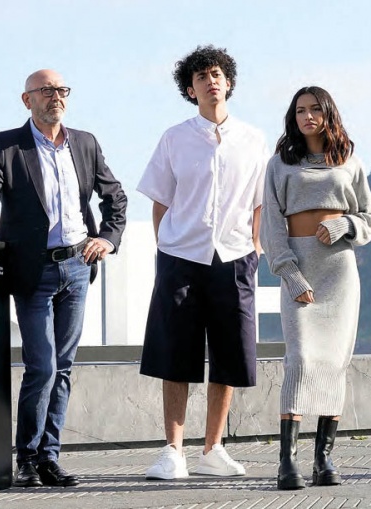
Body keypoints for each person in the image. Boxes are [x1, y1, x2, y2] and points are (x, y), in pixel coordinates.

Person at [0, 69, 127, 488]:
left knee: (63, 367)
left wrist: (107, 238)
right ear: (27, 99)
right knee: (43, 366)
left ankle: (49, 458)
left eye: (62, 90)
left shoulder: (85, 143)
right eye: (46, 90)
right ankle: (26, 457)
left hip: (78, 266)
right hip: (35, 271)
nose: (56, 97)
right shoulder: (7, 145)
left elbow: (115, 197)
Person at [137, 45, 268, 480]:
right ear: (190, 90)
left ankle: (214, 449)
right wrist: (166, 247)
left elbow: (259, 202)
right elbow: (160, 200)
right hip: (180, 256)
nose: (210, 82)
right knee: (175, 352)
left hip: (235, 256)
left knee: (230, 352)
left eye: (216, 74)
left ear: (228, 82)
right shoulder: (174, 138)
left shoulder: (253, 139)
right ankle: (172, 451)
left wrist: (255, 246)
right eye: (201, 77)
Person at [260, 86, 371, 489]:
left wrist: (345, 224)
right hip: (299, 267)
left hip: (339, 270)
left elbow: (369, 214)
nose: (307, 116)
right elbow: (271, 224)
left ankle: (323, 459)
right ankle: (286, 462)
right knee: (300, 360)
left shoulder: (349, 161)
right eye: (300, 111)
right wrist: (289, 273)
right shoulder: (280, 164)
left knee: (333, 361)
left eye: (314, 109)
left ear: (328, 114)